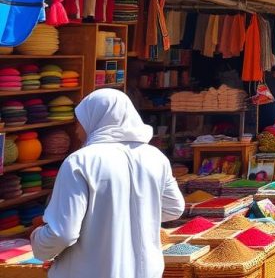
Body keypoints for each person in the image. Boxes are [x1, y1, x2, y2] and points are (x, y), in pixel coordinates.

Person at [31, 89, 185, 278]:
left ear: (95, 120)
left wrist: (37, 239)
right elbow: (174, 208)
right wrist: (123, 214)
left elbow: (63, 233)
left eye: (80, 123)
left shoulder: (80, 162)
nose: (78, 131)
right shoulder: (155, 157)